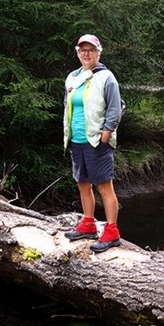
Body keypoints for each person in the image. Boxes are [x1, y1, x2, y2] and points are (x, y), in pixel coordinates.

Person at [62, 34, 122, 252]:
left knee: (104, 186)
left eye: (90, 50)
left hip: (97, 140)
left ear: (98, 52)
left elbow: (115, 108)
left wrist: (106, 133)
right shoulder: (72, 78)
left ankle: (112, 231)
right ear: (78, 53)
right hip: (76, 140)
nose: (86, 53)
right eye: (82, 50)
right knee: (82, 183)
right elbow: (68, 107)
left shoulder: (106, 78)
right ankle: (88, 223)